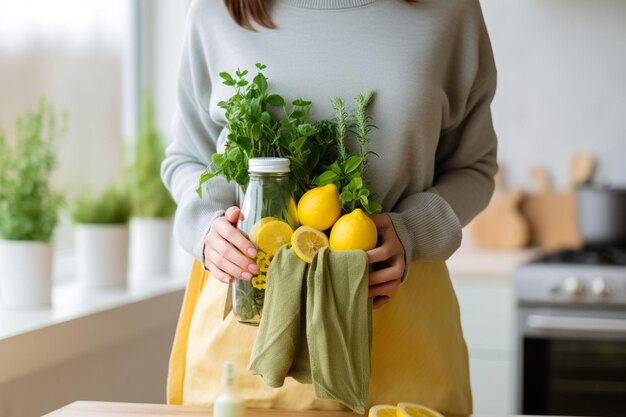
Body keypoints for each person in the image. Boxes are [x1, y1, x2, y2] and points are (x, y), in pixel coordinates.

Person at [161, 0, 498, 415]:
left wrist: (414, 230)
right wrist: (206, 227)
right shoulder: (216, 10)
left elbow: (474, 166)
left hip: (400, 329)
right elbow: (187, 158)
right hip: (250, 331)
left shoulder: (450, 10)